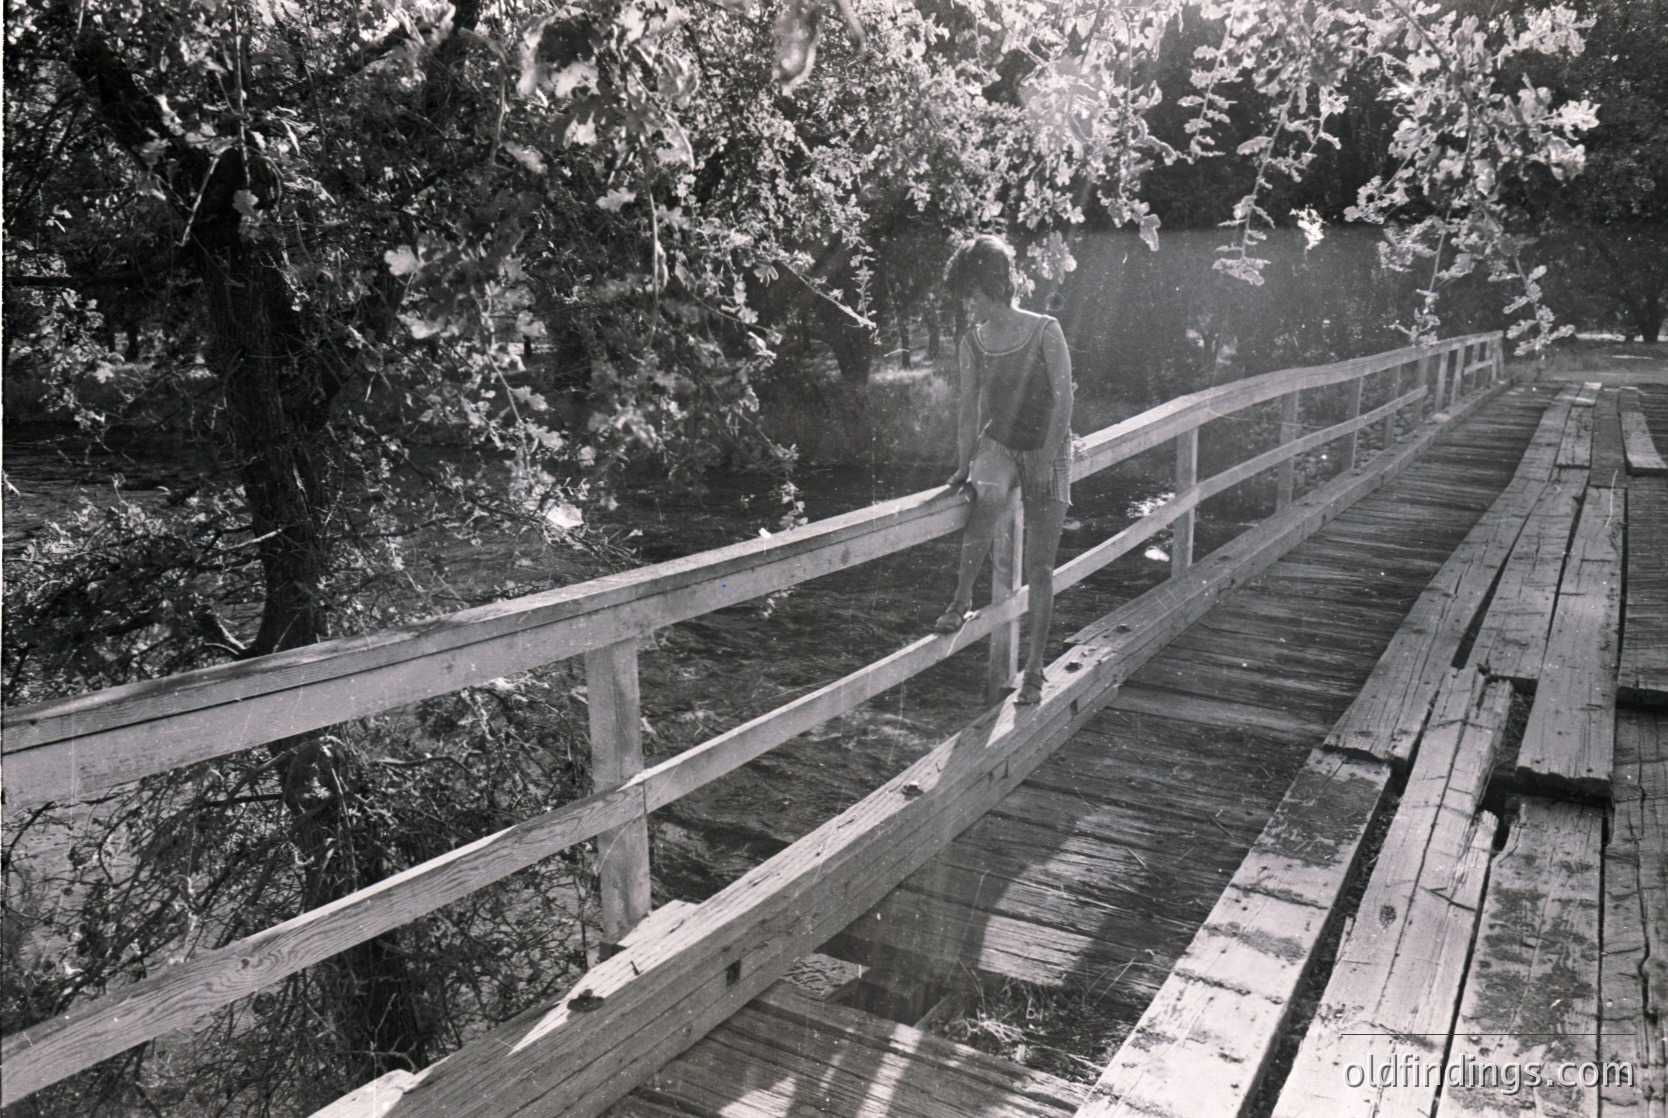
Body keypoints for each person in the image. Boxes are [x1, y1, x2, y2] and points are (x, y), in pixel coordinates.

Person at [934, 234, 1074, 706]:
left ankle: (1033, 670)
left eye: (972, 294)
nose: (967, 304)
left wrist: (1044, 460)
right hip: (1000, 444)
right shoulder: (972, 342)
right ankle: (960, 599)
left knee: (1040, 564)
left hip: (1049, 447)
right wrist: (962, 465)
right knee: (988, 493)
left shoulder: (1045, 329)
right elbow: (969, 409)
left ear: (994, 287)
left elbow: (1064, 399)